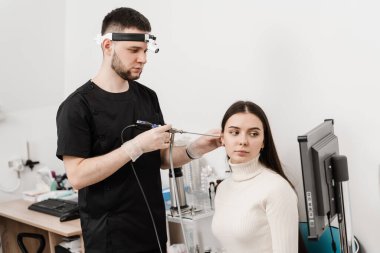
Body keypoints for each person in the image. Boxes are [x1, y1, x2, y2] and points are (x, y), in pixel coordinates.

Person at [56, 7, 220, 253]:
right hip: (109, 238)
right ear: (107, 46)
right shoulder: (77, 106)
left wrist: (196, 149)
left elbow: (161, 158)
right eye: (133, 50)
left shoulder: (147, 97)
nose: (142, 58)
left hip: (152, 231)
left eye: (145, 50)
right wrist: (135, 146)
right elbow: (78, 176)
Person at [211, 101, 298, 253]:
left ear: (264, 141)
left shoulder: (278, 189)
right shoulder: (222, 188)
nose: (243, 141)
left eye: (253, 134)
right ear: (222, 138)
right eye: (234, 132)